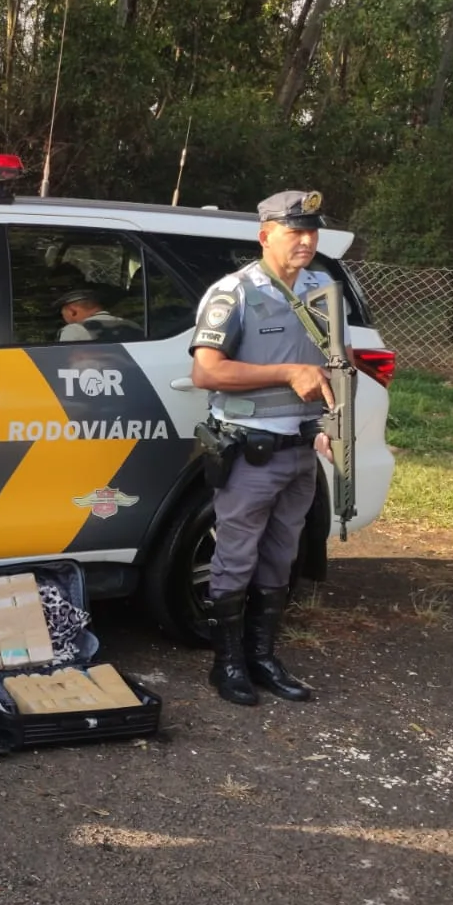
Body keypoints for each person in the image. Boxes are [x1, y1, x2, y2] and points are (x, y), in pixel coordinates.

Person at [188, 189, 341, 707]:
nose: (305, 240)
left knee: (282, 557)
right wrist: (286, 373)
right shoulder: (235, 293)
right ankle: (227, 663)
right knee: (235, 557)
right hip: (251, 452)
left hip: (302, 449)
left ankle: (263, 656)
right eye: (293, 230)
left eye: (311, 230)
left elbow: (334, 367)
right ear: (265, 234)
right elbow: (206, 370)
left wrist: (333, 423)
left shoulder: (323, 290)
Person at [55, 287, 134, 341]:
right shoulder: (132, 325)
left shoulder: (74, 330)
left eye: (63, 315)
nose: (64, 319)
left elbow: (65, 361)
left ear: (72, 311)